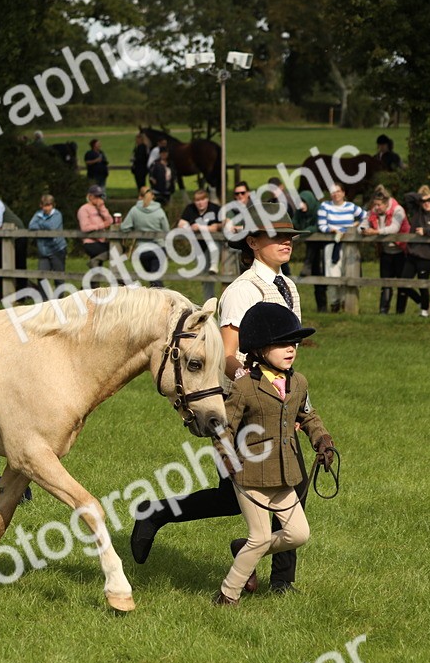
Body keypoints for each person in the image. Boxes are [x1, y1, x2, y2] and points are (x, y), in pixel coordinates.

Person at [130, 202, 309, 595]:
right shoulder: (242, 291)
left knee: (264, 490)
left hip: (277, 397)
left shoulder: (288, 286)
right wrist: (261, 394)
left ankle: (269, 571)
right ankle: (275, 578)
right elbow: (229, 356)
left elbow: (288, 351)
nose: (286, 242)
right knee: (272, 490)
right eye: (275, 237)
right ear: (252, 242)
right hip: (245, 405)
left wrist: (293, 401)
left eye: (289, 237)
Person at [213, 302, 334, 606]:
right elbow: (224, 425)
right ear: (259, 349)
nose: (290, 348)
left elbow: (308, 416)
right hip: (250, 473)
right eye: (281, 343)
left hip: (285, 473)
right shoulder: (244, 387)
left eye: (293, 342)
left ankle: (244, 548)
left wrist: (322, 440)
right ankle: (227, 594)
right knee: (260, 536)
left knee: (298, 534)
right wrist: (226, 455)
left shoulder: (298, 382)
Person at [397, 184, 430, 317]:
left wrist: (426, 231)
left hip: (426, 255)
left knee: (423, 284)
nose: (426, 204)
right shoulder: (416, 212)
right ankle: (422, 302)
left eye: (429, 201)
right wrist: (424, 196)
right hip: (412, 254)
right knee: (403, 283)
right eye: (424, 201)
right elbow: (407, 197)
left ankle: (424, 312)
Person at [317, 183, 365, 313]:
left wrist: (356, 225)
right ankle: (334, 303)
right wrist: (332, 230)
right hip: (332, 244)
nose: (335, 194)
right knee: (333, 275)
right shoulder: (325, 206)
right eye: (333, 191)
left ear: (343, 193)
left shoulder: (350, 207)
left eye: (338, 191)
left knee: (347, 273)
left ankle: (346, 303)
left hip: (349, 245)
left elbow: (366, 216)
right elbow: (321, 225)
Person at [360, 186, 408, 314]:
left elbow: (394, 228)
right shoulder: (373, 211)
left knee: (402, 284)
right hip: (385, 252)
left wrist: (375, 232)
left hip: (401, 251)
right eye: (375, 204)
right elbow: (363, 224)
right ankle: (383, 311)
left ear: (386, 203)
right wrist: (364, 230)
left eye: (379, 205)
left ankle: (400, 312)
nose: (377, 207)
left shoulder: (398, 210)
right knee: (385, 282)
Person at [121, 185, 169, 288]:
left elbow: (124, 227)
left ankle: (156, 297)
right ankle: (162, 298)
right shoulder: (159, 211)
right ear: (152, 196)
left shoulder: (134, 210)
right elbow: (166, 230)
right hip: (159, 248)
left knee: (152, 278)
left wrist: (134, 231)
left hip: (142, 251)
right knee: (156, 279)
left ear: (140, 196)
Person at [178, 189, 222, 300]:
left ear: (207, 199)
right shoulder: (190, 209)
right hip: (198, 248)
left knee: (210, 273)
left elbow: (217, 227)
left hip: (213, 247)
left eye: (202, 199)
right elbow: (181, 223)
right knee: (205, 277)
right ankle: (209, 300)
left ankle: (214, 265)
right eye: (197, 200)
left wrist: (200, 227)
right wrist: (189, 228)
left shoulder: (215, 208)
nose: (200, 203)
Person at [292, 187, 325, 312]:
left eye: (304, 202)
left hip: (322, 247)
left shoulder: (318, 209)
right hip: (311, 246)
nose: (301, 205)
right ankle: (321, 309)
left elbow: (316, 227)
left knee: (321, 277)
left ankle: (323, 307)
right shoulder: (300, 212)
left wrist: (302, 233)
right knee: (317, 275)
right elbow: (294, 223)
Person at [27, 194, 67, 291]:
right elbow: (31, 225)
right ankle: (44, 299)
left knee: (59, 277)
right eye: (45, 205)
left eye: (49, 205)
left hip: (57, 250)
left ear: (53, 205)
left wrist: (40, 224)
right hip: (43, 251)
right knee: (41, 276)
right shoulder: (38, 214)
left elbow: (52, 228)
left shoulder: (57, 214)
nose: (46, 208)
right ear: (41, 205)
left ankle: (60, 299)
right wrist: (45, 227)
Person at [77, 185, 113, 267]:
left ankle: (95, 262)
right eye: (96, 196)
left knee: (118, 249)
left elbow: (110, 221)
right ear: (90, 196)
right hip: (90, 243)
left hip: (101, 241)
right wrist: (101, 225)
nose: (98, 199)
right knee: (113, 252)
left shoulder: (100, 208)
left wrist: (102, 207)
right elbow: (85, 227)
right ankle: (95, 261)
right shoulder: (84, 209)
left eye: (100, 196)